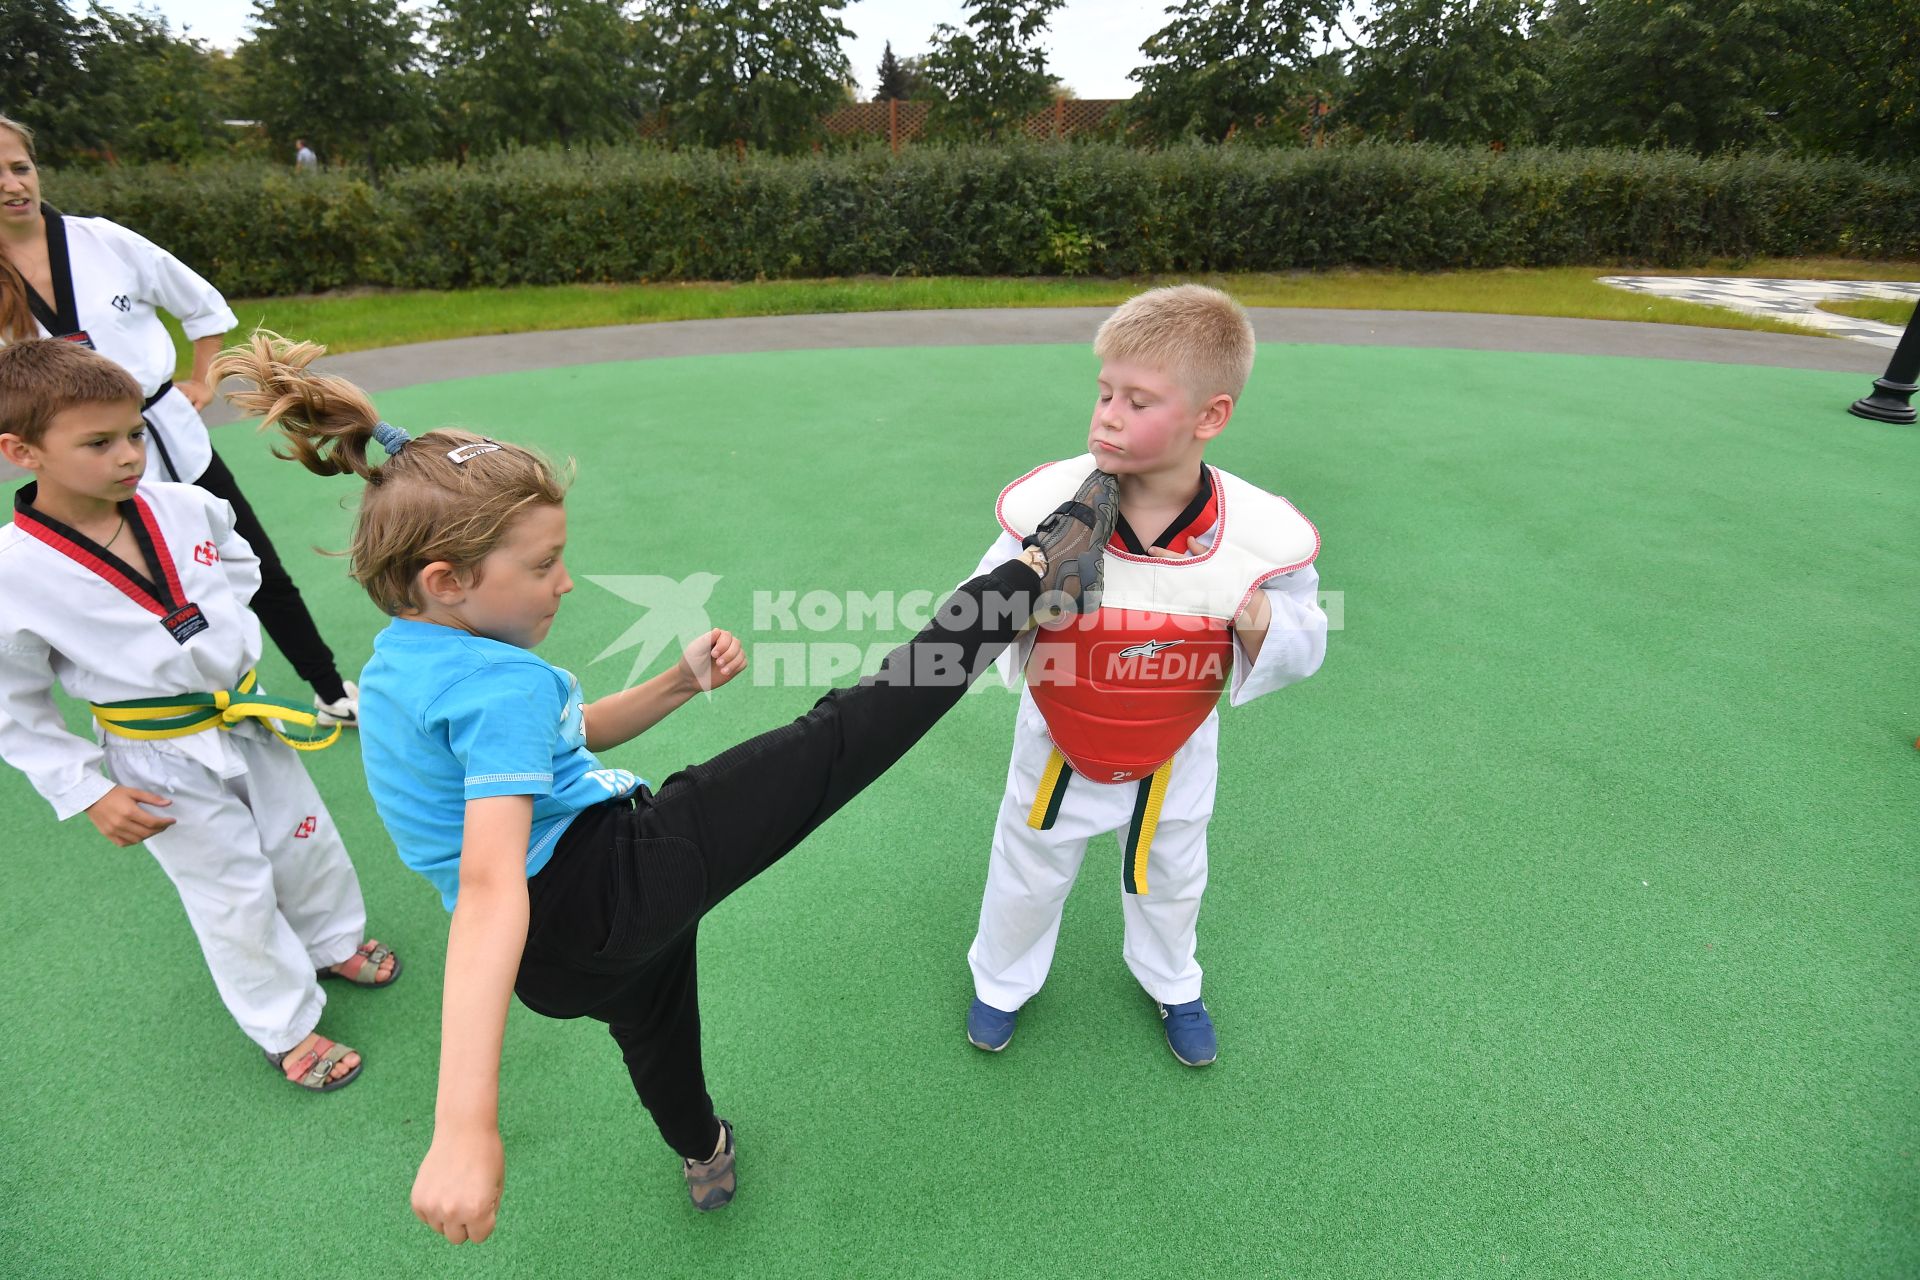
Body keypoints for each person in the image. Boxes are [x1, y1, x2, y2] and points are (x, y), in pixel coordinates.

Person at [214, 330, 1119, 1239]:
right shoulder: (494, 686)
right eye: (540, 566)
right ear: (444, 579)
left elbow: (562, 744)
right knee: (842, 736)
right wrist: (462, 1124)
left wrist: (678, 682)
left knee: (654, 1034)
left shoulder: (409, 662)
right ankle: (1029, 574)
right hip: (606, 886)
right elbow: (492, 884)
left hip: (560, 959)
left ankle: (703, 1147)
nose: (564, 582)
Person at [0, 338, 398, 1092]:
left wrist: (214, 640)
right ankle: (285, 1024)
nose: (128, 456)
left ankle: (332, 939)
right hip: (154, 756)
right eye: (98, 443)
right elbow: (11, 705)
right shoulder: (12, 573)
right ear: (24, 451)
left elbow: (238, 563)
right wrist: (86, 790)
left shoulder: (187, 505)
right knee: (230, 889)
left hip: (245, 715)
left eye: (134, 434)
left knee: (302, 837)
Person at [962, 284, 1329, 1067]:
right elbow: (969, 616)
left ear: (1210, 416)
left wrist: (1247, 606)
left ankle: (1170, 977)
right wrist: (1028, 590)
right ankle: (1000, 981)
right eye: (1103, 393)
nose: (1108, 416)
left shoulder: (1256, 534)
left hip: (1179, 737)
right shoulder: (1049, 507)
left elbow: (1308, 639)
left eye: (1139, 400)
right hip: (1060, 726)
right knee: (1029, 860)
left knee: (1173, 870)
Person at [0, 113, 360, 726]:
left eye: (19, 166)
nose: (13, 184)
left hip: (170, 437)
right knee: (121, 592)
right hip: (76, 467)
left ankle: (330, 690)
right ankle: (179, 712)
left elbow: (203, 306)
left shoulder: (103, 242)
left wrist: (201, 379)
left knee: (253, 561)